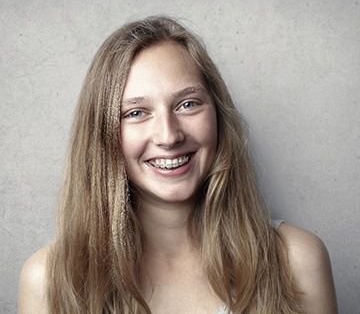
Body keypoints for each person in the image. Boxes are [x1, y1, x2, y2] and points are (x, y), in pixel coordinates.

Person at [18, 16, 338, 314]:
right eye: (136, 112)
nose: (169, 136)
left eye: (188, 104)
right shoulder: (48, 281)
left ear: (217, 116)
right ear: (102, 132)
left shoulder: (297, 260)